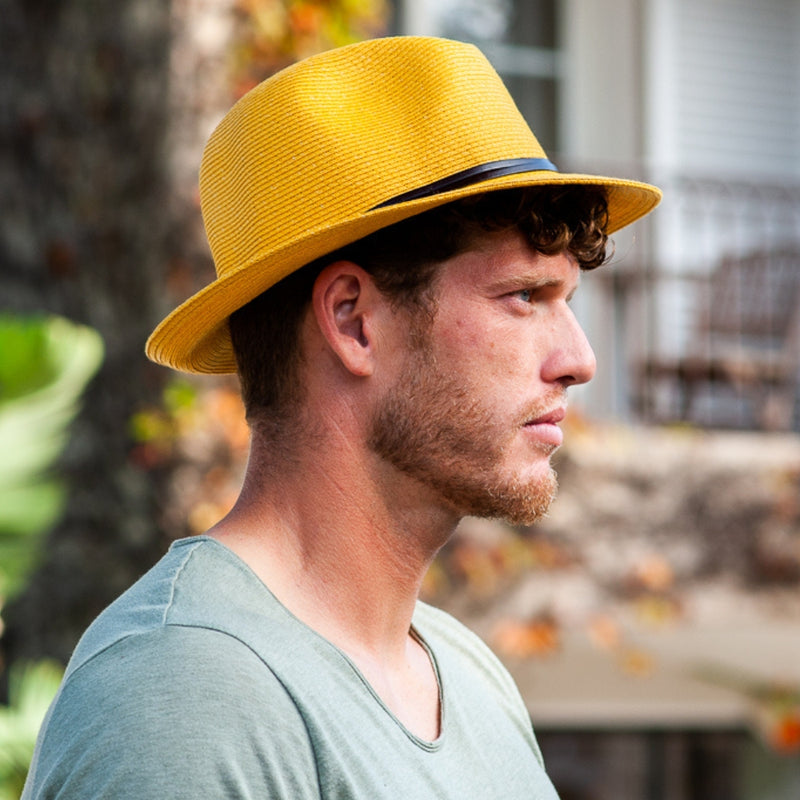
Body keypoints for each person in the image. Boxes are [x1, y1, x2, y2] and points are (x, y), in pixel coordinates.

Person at [22, 36, 660, 799]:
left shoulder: (469, 678)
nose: (579, 358)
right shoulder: (186, 696)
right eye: (524, 296)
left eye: (567, 301)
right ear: (354, 321)